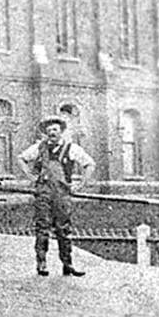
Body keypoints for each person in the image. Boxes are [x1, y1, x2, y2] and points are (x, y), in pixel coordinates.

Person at [19, 115, 96, 277]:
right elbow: (22, 158)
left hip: (62, 194)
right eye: (48, 131)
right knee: (42, 228)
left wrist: (81, 184)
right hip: (43, 193)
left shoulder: (71, 148)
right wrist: (32, 177)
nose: (51, 133)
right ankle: (41, 263)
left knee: (64, 229)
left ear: (61, 131)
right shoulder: (39, 148)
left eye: (54, 129)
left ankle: (67, 264)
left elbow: (90, 164)